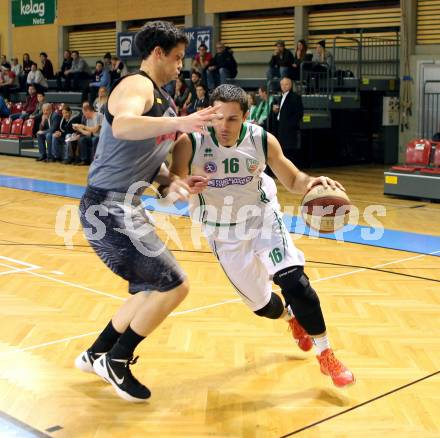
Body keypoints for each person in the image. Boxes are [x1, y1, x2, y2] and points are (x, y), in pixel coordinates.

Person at [168, 84, 355, 389]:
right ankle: (290, 318)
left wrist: (312, 183)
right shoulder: (189, 143)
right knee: (262, 306)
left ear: (246, 116)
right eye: (217, 117)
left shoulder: (260, 140)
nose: (223, 126)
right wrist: (182, 185)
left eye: (232, 119)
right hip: (223, 234)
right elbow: (170, 183)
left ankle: (326, 353)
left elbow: (293, 178)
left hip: (263, 219)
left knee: (294, 280)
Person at [74, 20, 221, 403]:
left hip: (127, 206)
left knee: (149, 289)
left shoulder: (164, 101)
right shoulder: (135, 86)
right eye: (175, 58)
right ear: (156, 53)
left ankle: (96, 354)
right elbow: (122, 125)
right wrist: (181, 122)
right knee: (175, 284)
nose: (179, 66)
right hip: (106, 206)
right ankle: (117, 361)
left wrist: (174, 181)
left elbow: (150, 161)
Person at [272, 77, 303, 162]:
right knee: (282, 151)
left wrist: (289, 125)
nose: (284, 86)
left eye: (286, 84)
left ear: (291, 85)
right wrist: (276, 111)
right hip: (280, 127)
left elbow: (299, 114)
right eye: (282, 84)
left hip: (289, 129)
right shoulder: (280, 97)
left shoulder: (295, 97)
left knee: (289, 152)